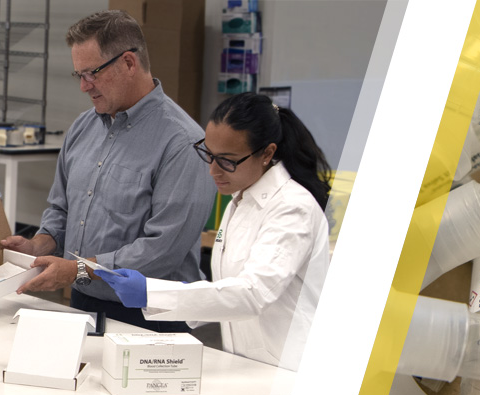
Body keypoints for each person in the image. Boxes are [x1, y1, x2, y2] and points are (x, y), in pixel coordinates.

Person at [7, 10, 217, 335]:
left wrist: (78, 268)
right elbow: (62, 209)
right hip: (84, 303)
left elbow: (163, 250)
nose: (83, 87)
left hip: (151, 318)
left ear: (129, 63)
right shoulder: (83, 127)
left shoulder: (182, 143)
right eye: (77, 74)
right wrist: (40, 245)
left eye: (91, 73)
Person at [96, 92, 334, 371]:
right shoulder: (240, 199)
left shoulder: (293, 207)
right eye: (209, 155)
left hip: (293, 369)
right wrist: (174, 292)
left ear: (267, 153)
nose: (213, 171)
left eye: (228, 161)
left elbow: (251, 293)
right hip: (251, 366)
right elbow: (230, 290)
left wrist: (151, 292)